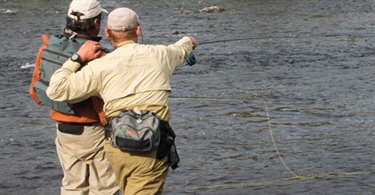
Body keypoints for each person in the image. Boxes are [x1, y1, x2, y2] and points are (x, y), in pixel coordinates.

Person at [45, 7, 198, 195]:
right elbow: (185, 45)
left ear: (108, 34)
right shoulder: (161, 54)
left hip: (116, 146)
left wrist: (77, 58)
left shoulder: (99, 65)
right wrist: (189, 41)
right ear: (137, 31)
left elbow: (56, 90)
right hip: (151, 146)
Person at [29, 0, 119, 194]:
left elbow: (35, 94)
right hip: (94, 132)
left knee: (72, 187)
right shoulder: (98, 55)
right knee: (105, 188)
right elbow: (104, 103)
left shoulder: (47, 47)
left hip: (63, 131)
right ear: (95, 23)